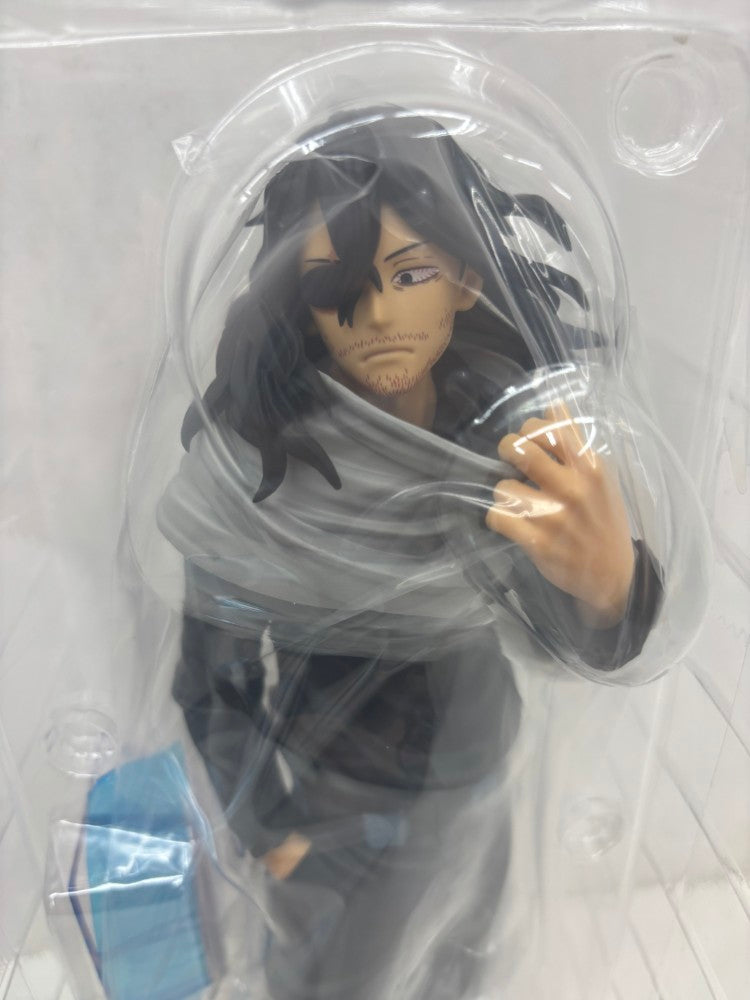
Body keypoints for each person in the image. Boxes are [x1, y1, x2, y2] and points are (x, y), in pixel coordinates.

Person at [158, 107, 662, 999]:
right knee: (334, 982)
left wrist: (612, 586)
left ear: (466, 279)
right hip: (339, 799)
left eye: (412, 271)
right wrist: (272, 833)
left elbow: (588, 646)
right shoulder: (261, 473)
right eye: (336, 284)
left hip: (480, 769)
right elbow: (211, 677)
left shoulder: (512, 445)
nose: (380, 314)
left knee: (465, 962)